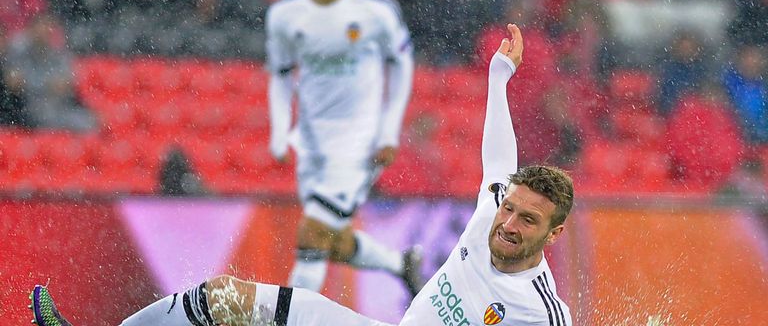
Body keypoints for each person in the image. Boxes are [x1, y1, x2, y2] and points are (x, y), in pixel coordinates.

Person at [31, 24, 575, 326]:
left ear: (551, 235)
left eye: (527, 220)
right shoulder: (493, 211)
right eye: (509, 209)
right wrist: (499, 79)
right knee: (226, 298)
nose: (508, 223)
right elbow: (499, 159)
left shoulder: (542, 311)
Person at [265, 0, 420, 295]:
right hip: (312, 142)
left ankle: (289, 319)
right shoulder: (285, 14)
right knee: (331, 240)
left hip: (358, 142)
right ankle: (401, 265)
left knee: (312, 233)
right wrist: (280, 129)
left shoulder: (376, 11)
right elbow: (280, 74)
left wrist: (388, 131)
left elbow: (402, 66)